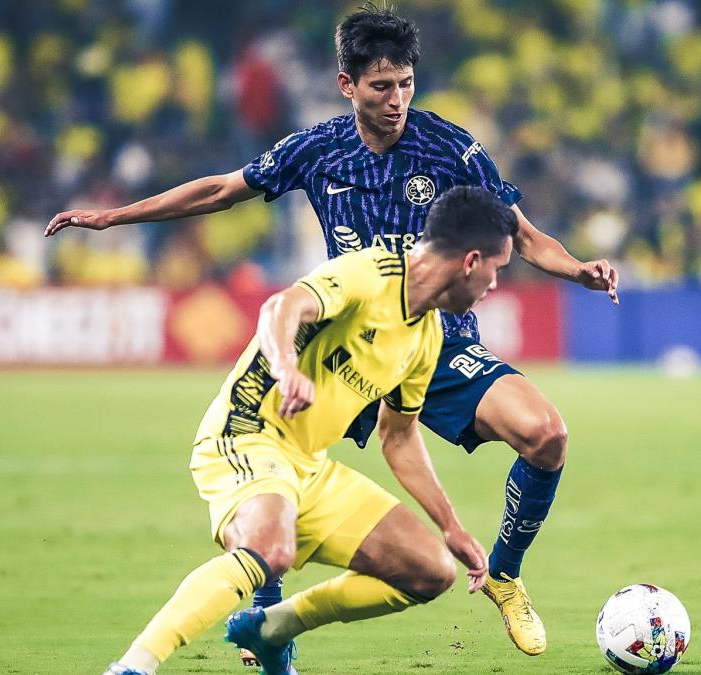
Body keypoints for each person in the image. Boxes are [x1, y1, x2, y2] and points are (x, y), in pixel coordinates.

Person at [47, 6, 619, 658]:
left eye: (406, 83)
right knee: (283, 479)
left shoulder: (450, 147)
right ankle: (264, 622)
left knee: (545, 433)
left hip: (431, 337)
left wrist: (576, 269)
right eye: (381, 86)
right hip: (347, 335)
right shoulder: (319, 150)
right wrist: (114, 218)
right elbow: (219, 191)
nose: (398, 99)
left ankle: (506, 572)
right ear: (346, 84)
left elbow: (514, 230)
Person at [101, 187, 515, 675]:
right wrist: (285, 367)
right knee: (271, 551)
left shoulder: (425, 335)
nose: (494, 285)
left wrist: (450, 525)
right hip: (247, 433)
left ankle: (272, 628)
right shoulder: (370, 273)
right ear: (471, 261)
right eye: (498, 268)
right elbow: (281, 308)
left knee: (429, 572)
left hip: (306, 464)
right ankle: (134, 666)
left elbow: (398, 436)